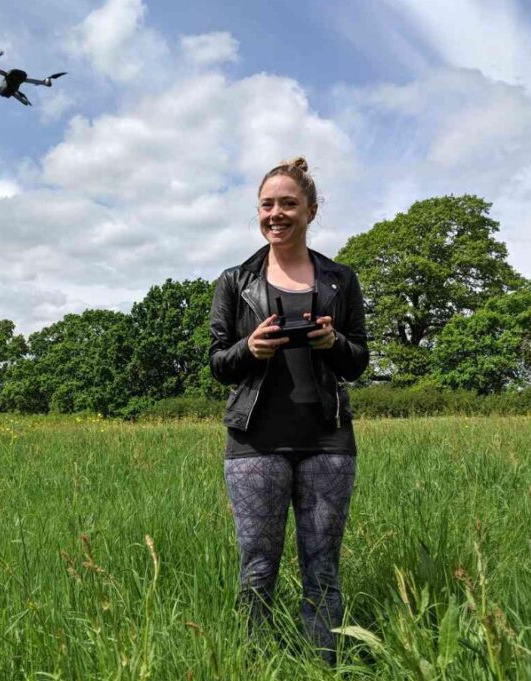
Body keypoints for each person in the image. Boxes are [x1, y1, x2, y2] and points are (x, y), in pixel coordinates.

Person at [208, 157, 369, 665]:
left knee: (323, 568)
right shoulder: (236, 281)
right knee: (257, 568)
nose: (276, 213)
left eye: (288, 204)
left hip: (327, 443)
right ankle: (256, 666)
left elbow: (359, 361)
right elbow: (217, 363)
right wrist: (249, 350)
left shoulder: (341, 280)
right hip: (254, 444)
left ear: (311, 211)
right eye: (267, 204)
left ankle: (323, 666)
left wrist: (330, 341)